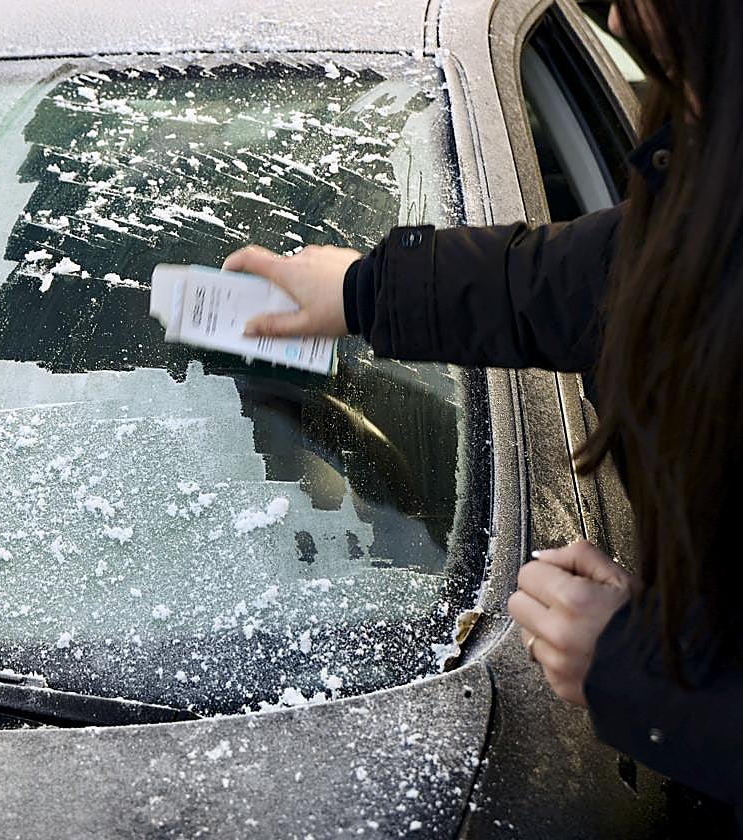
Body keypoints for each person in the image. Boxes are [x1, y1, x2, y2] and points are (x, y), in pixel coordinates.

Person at [221, 0, 742, 827]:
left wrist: (647, 674)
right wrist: (367, 290)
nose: (614, 12)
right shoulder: (716, 174)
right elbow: (602, 275)